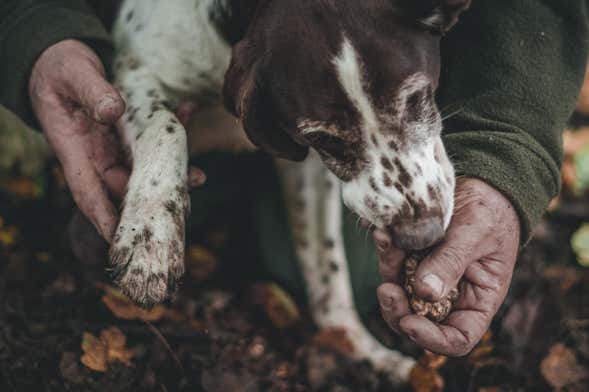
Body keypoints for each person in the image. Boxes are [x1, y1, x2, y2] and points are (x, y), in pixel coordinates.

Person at [1, 0, 587, 357]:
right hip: (212, 75)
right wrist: (36, 32)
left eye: (413, 103)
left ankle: (335, 315)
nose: (420, 206)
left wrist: (505, 157)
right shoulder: (194, 36)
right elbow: (139, 74)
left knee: (367, 288)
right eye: (326, 136)